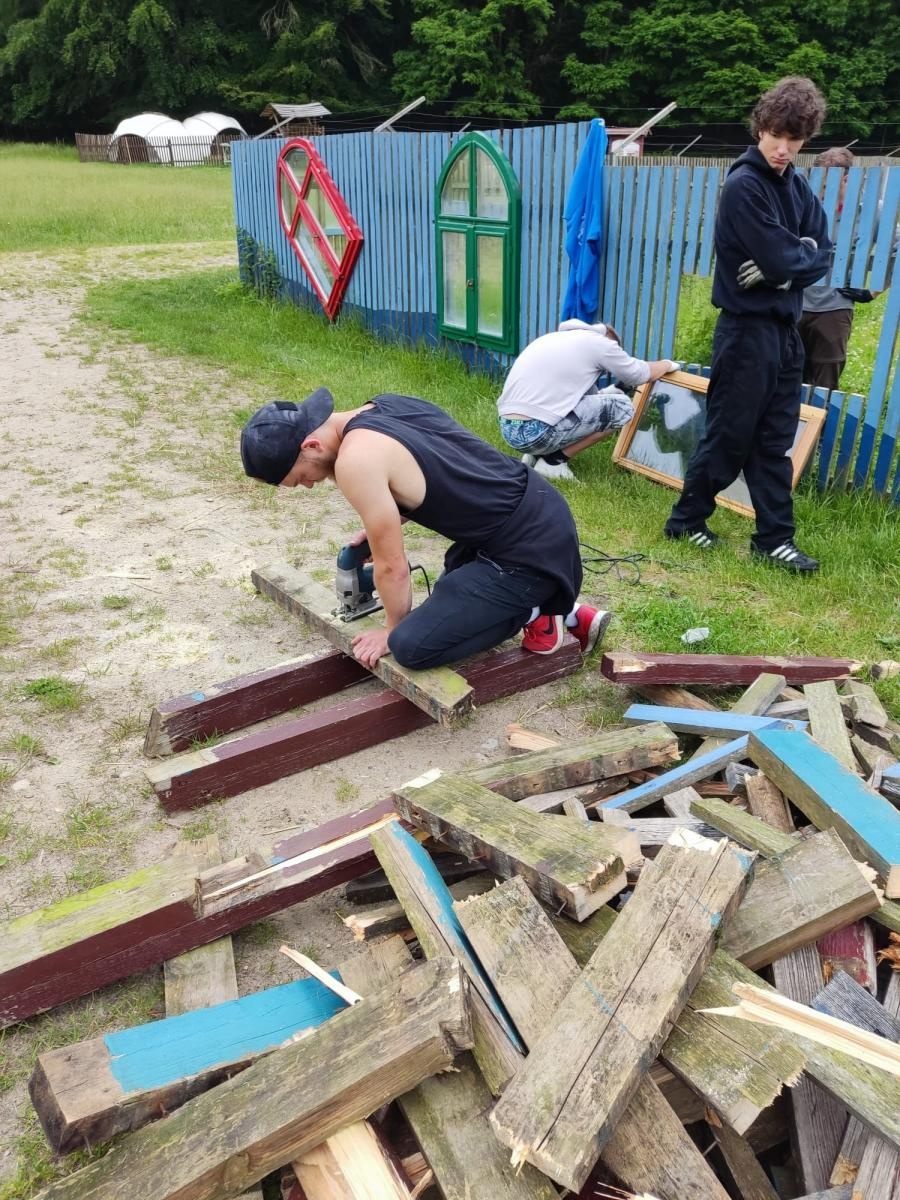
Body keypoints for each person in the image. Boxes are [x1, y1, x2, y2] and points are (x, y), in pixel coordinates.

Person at [240, 389, 609, 670]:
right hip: (532, 511)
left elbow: (392, 568)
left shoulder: (356, 461)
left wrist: (390, 631)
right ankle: (569, 611)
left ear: (312, 445)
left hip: (526, 550)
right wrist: (385, 519)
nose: (307, 485)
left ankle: (538, 608)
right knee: (448, 605)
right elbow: (446, 469)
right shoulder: (384, 405)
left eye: (300, 477)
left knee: (413, 645)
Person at [663, 76, 833, 573]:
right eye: (776, 135)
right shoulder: (745, 185)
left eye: (794, 139)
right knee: (730, 435)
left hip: (784, 333)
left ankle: (773, 540)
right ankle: (686, 521)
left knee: (776, 439)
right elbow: (786, 257)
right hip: (745, 332)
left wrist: (790, 266)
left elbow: (822, 251)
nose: (783, 148)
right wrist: (792, 261)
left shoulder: (797, 186)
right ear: (760, 128)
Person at [497, 318, 678, 481]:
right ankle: (553, 462)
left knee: (599, 408)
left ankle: (534, 457)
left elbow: (583, 405)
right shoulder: (600, 343)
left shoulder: (556, 340)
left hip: (509, 430)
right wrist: (667, 364)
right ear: (611, 342)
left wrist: (616, 389)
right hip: (536, 434)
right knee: (623, 408)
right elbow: (638, 374)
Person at [800, 148, 889, 391]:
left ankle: (819, 430)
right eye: (816, 183)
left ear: (847, 180)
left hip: (834, 309)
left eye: (825, 184)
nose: (819, 190)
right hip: (794, 303)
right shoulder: (805, 205)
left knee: (824, 386)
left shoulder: (875, 211)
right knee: (786, 378)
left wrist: (874, 291)